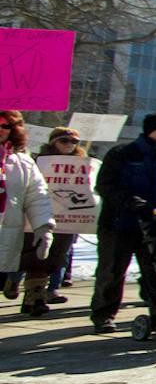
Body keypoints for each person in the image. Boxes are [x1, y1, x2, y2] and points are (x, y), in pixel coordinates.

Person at [89, 112, 156, 332]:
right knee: (112, 270)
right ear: (149, 131)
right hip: (120, 223)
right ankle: (103, 314)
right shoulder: (123, 153)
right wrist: (131, 202)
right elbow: (106, 185)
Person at [0, 111, 56, 312]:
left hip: (6, 239)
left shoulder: (23, 163)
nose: (0, 130)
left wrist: (44, 227)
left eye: (5, 125)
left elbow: (38, 198)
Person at [30, 126, 89, 309]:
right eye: (65, 141)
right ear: (53, 142)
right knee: (35, 252)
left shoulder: (83, 164)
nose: (69, 145)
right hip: (40, 213)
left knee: (61, 253)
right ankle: (20, 285)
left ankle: (52, 289)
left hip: (68, 216)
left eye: (74, 142)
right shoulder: (39, 161)